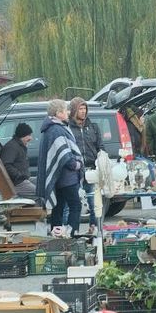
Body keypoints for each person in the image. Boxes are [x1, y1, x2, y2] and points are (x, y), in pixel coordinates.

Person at [36, 99, 84, 233]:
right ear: (58, 113)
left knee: (58, 207)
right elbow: (64, 155)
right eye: (65, 110)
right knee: (75, 206)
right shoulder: (56, 129)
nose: (68, 112)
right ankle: (72, 234)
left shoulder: (50, 127)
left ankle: (56, 235)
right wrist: (76, 164)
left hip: (58, 178)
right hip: (66, 177)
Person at [67, 97, 104, 234]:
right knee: (74, 204)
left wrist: (101, 160)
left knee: (94, 203)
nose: (83, 112)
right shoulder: (68, 128)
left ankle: (93, 229)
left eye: (85, 109)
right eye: (80, 109)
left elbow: (100, 146)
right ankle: (73, 231)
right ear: (73, 111)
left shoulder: (93, 127)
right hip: (74, 171)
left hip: (92, 170)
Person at [1, 123, 37, 200]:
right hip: (18, 182)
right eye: (29, 135)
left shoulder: (18, 145)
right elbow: (6, 165)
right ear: (22, 135)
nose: (31, 138)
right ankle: (36, 211)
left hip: (23, 179)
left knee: (41, 181)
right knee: (40, 193)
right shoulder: (12, 147)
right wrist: (19, 175)